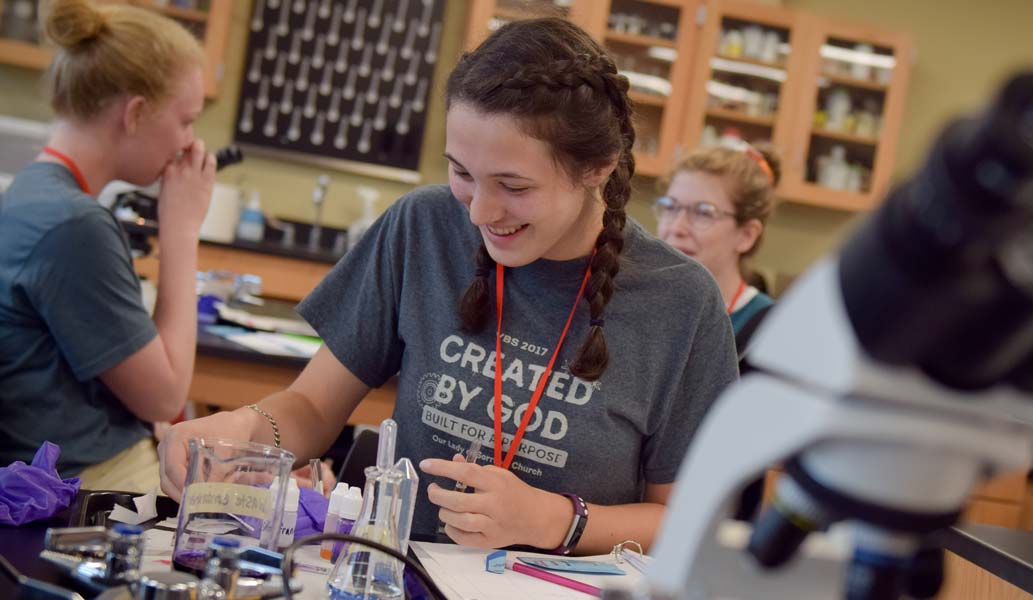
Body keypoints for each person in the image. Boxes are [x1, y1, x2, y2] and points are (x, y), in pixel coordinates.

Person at [159, 18, 737, 555]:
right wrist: (246, 427)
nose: (481, 213)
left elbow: (692, 520)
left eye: (513, 185)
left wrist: (556, 519)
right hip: (406, 572)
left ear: (599, 168)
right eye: (461, 172)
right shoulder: (421, 228)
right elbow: (311, 405)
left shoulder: (681, 301)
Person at [0, 0, 214, 491]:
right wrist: (181, 230)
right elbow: (165, 397)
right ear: (136, 113)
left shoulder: (33, 193)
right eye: (186, 121)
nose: (188, 143)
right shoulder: (76, 226)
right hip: (83, 484)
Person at [656, 142, 779, 359]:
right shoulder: (638, 304)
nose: (676, 228)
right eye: (671, 207)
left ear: (747, 235)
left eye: (703, 213)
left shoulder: (769, 330)